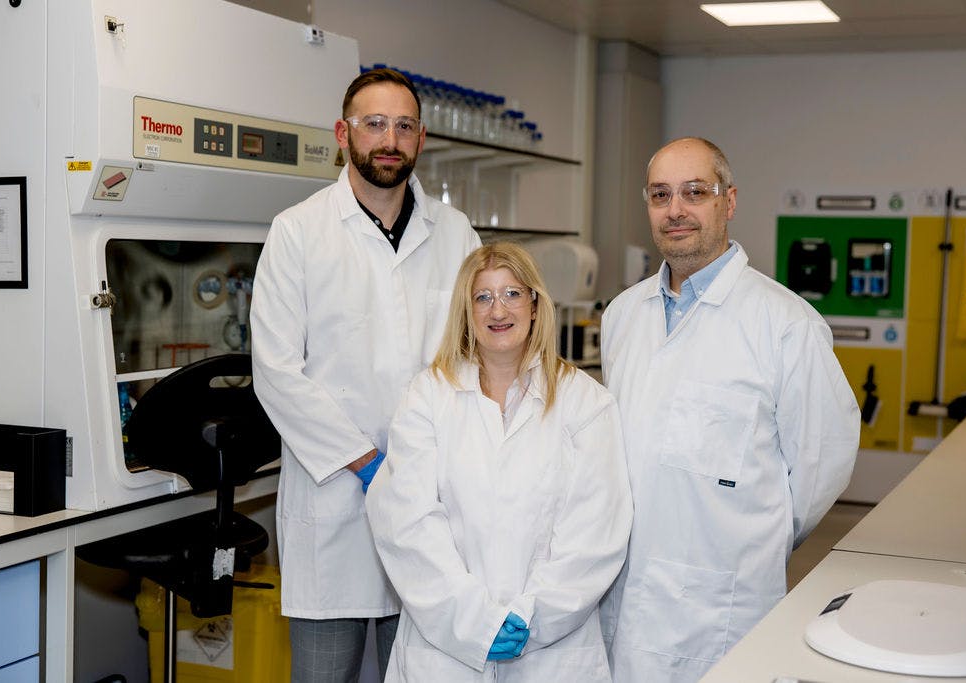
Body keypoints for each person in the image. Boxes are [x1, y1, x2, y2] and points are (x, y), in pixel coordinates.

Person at [599, 137, 859, 682]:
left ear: (729, 201)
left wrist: (752, 542)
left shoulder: (786, 324)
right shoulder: (623, 315)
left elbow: (820, 466)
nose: (676, 210)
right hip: (621, 593)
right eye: (660, 195)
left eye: (695, 192)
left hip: (720, 602)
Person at [251, 68, 481, 682]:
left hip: (431, 505)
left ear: (422, 139)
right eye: (374, 124)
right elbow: (275, 371)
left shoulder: (455, 234)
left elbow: (476, 348)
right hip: (336, 503)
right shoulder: (298, 232)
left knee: (424, 672)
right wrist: (367, 461)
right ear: (342, 132)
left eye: (404, 126)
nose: (390, 139)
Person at [365, 242, 633, 681]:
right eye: (483, 296)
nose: (498, 310)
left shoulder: (585, 403)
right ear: (466, 312)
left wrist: (535, 616)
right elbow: (406, 523)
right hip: (445, 652)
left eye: (511, 293)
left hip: (552, 654)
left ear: (534, 303)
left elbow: (597, 532)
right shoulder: (427, 397)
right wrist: (473, 622)